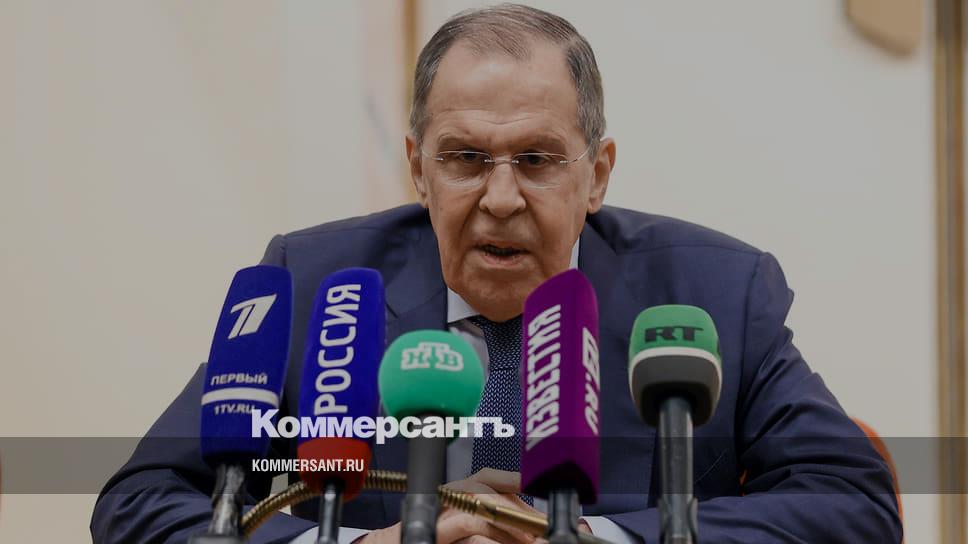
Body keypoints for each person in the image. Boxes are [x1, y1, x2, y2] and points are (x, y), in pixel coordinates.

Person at [92, 4, 902, 543]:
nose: (501, 198)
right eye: (466, 158)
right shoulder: (317, 285)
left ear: (598, 174)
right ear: (418, 168)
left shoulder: (715, 296)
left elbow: (854, 503)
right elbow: (139, 504)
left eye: (538, 160)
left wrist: (591, 538)